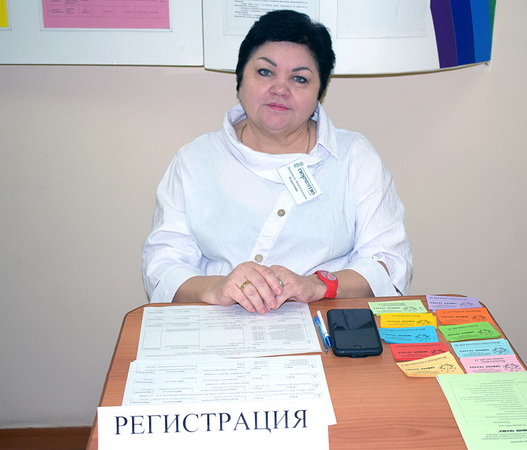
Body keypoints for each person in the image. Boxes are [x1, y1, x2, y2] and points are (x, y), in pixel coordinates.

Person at [142, 10, 412, 314]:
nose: (280, 89)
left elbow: (389, 259)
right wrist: (215, 288)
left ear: (319, 91)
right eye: (265, 72)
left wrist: (317, 284)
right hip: (215, 322)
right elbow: (163, 263)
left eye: (299, 78)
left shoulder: (354, 156)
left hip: (324, 321)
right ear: (240, 79)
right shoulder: (195, 159)